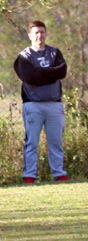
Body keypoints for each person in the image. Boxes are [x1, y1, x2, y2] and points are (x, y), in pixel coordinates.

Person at [13, 20, 69, 183]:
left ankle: (59, 173)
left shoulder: (55, 53)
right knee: (32, 142)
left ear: (46, 34)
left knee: (56, 142)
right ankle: (29, 175)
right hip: (33, 105)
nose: (39, 35)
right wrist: (50, 74)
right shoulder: (24, 57)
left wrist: (40, 71)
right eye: (36, 33)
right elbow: (30, 78)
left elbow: (62, 71)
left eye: (42, 32)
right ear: (30, 35)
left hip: (54, 104)